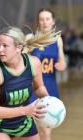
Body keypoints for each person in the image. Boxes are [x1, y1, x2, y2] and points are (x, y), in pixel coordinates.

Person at [0, 26, 49, 140]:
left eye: (5, 46)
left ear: (18, 48)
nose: (0, 49)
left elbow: (39, 88)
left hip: (22, 121)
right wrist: (26, 110)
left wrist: (50, 103)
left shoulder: (34, 63)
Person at [24, 8, 67, 140]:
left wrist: (61, 65)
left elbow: (63, 61)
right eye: (41, 19)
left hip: (50, 86)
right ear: (38, 22)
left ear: (53, 21)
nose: (44, 22)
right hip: (33, 86)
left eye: (47, 19)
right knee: (27, 128)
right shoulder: (31, 38)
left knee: (46, 131)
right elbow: (21, 59)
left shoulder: (57, 39)